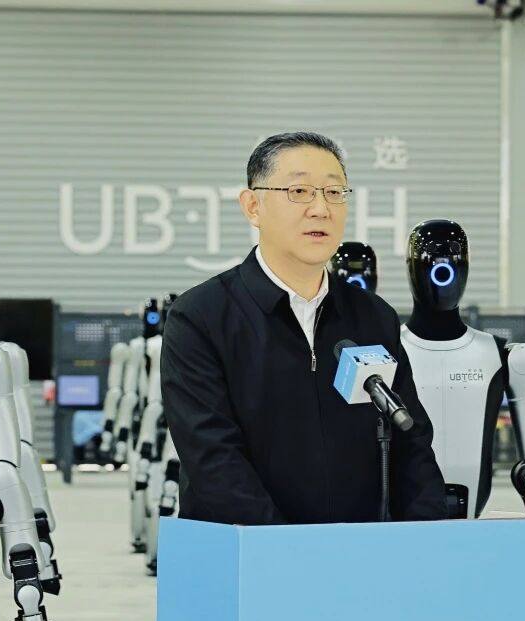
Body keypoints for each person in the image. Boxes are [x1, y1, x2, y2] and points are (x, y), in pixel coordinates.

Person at [161, 132, 447, 524]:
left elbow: (411, 443)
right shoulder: (201, 317)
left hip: (357, 548)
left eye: (334, 192)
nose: (321, 209)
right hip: (244, 548)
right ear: (253, 206)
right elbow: (213, 458)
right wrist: (288, 548)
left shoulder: (373, 317)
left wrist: (428, 535)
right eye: (299, 191)